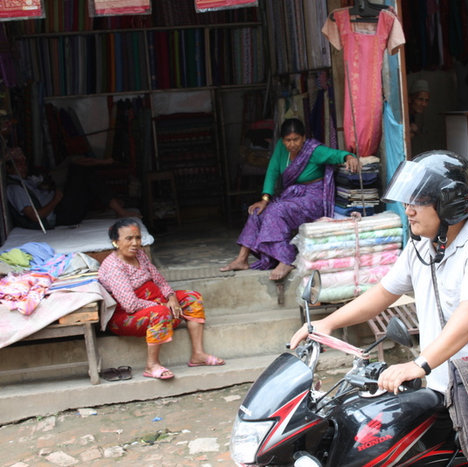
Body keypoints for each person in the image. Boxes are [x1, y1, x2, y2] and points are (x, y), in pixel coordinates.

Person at [290, 150, 468, 467]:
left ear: (449, 204)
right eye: (406, 202)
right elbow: (384, 292)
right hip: (443, 386)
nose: (408, 211)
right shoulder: (423, 246)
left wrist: (419, 364)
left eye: (418, 202)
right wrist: (326, 325)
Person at [219, 118, 360, 281]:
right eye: (288, 140)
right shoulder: (281, 148)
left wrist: (350, 157)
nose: (292, 144)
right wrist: (265, 199)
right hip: (292, 196)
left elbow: (337, 155)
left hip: (313, 198)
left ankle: (286, 259)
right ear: (282, 140)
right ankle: (242, 259)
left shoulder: (314, 150)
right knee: (258, 211)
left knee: (277, 211)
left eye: (296, 139)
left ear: (304, 138)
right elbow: (272, 171)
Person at [98, 218, 224, 380]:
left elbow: (159, 281)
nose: (135, 243)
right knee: (161, 312)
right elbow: (130, 304)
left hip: (157, 303)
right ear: (116, 242)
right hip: (125, 316)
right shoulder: (114, 266)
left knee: (192, 298)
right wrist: (162, 305)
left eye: (138, 238)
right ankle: (152, 365)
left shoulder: (140, 255)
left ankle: (198, 354)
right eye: (129, 238)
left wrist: (171, 297)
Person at [4, 147, 138, 230]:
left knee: (85, 178)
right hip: (60, 216)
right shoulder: (14, 189)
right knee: (79, 171)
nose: (23, 167)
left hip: (61, 207)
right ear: (9, 168)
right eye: (18, 164)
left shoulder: (25, 181)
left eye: (24, 163)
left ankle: (118, 205)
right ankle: (119, 208)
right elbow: (35, 216)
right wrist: (55, 199)